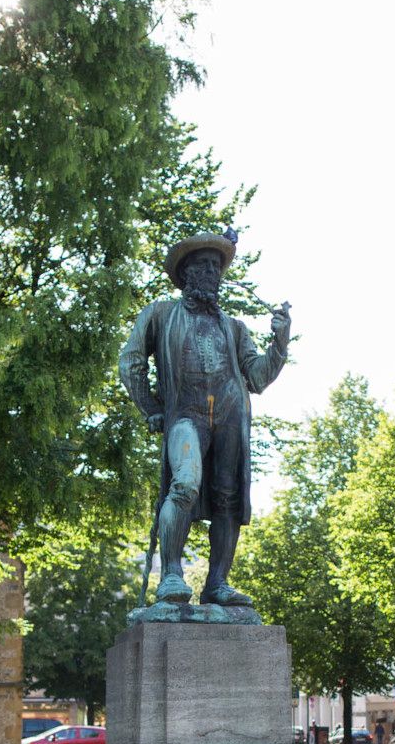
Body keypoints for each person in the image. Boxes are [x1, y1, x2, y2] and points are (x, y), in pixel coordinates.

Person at [118, 230, 293, 608]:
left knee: (228, 498)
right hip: (185, 414)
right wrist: (151, 408)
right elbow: (131, 362)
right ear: (186, 272)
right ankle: (171, 576)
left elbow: (258, 376)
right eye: (205, 265)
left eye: (217, 266)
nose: (213, 272)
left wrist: (279, 344)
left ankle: (217, 582)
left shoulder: (233, 327)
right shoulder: (160, 314)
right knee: (184, 484)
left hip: (230, 415)